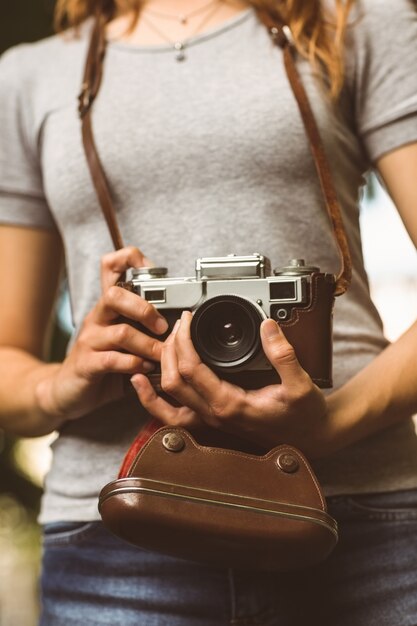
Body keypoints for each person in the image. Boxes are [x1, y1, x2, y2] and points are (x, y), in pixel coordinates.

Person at [0, 0, 416, 623]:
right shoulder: (31, 76)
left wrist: (332, 423)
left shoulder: (354, 21)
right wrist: (64, 383)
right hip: (119, 528)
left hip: (358, 511)